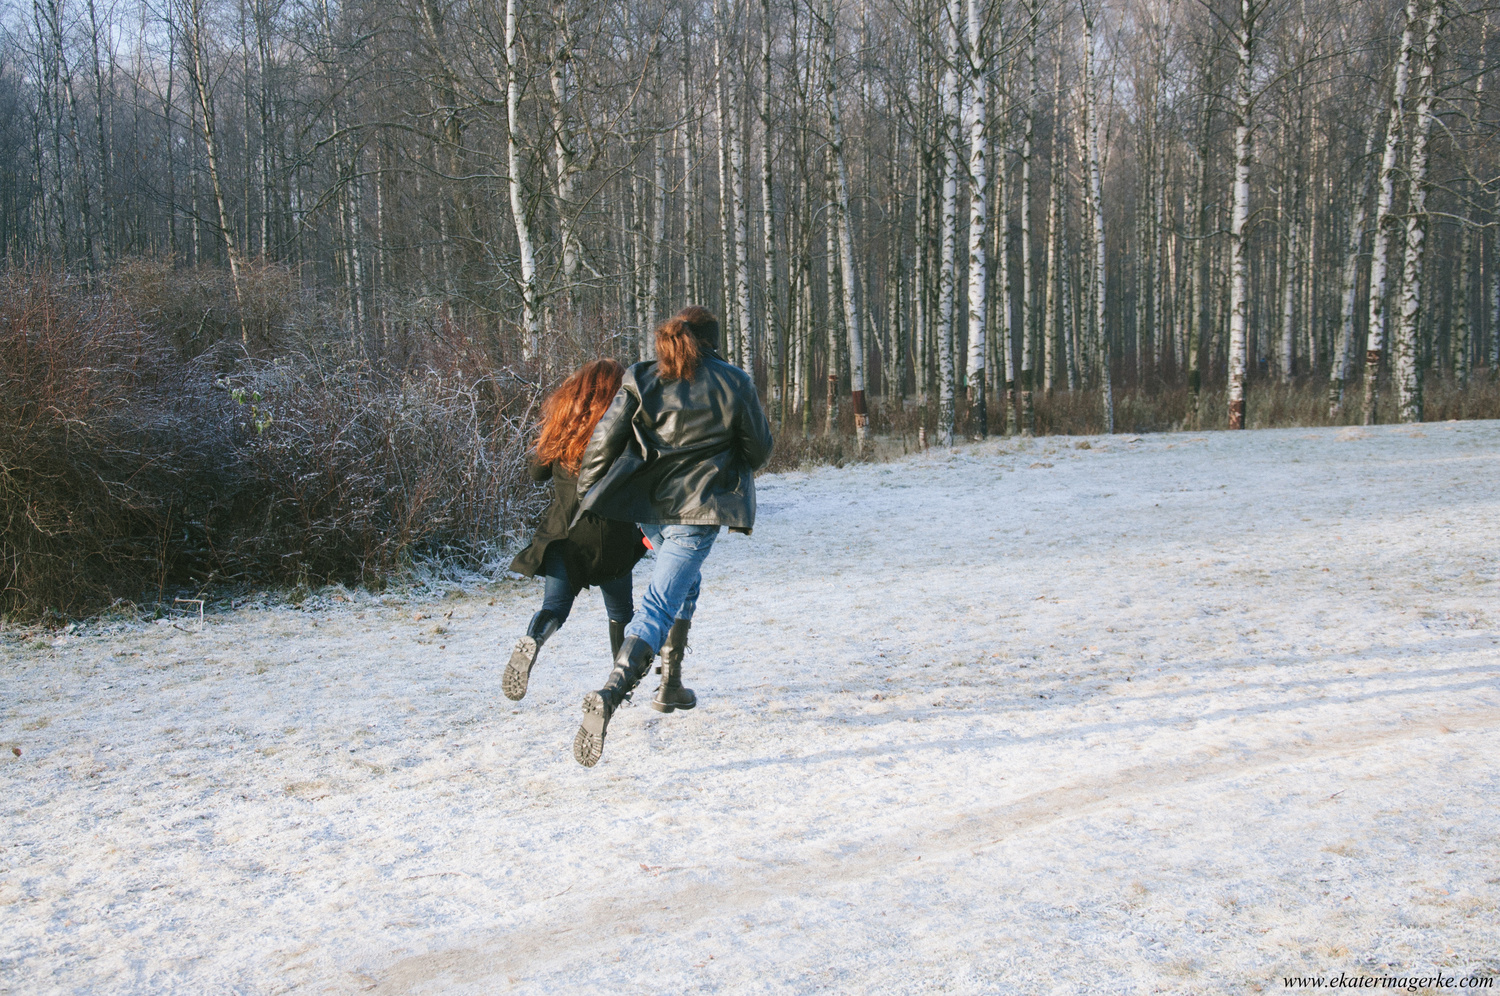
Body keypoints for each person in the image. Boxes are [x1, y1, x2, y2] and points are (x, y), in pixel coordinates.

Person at [569, 306, 773, 767]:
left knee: (685, 585)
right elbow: (758, 450)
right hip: (697, 511)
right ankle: (610, 693)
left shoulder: (641, 376)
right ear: (712, 341)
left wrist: (589, 493)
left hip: (648, 508)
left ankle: (670, 685)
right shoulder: (734, 381)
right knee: (661, 602)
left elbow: (604, 439)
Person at [503, 359, 648, 702]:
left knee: (554, 607)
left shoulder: (562, 427)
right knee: (620, 614)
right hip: (611, 539)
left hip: (562, 535)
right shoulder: (625, 428)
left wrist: (551, 432)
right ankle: (619, 684)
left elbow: (536, 473)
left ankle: (533, 640)